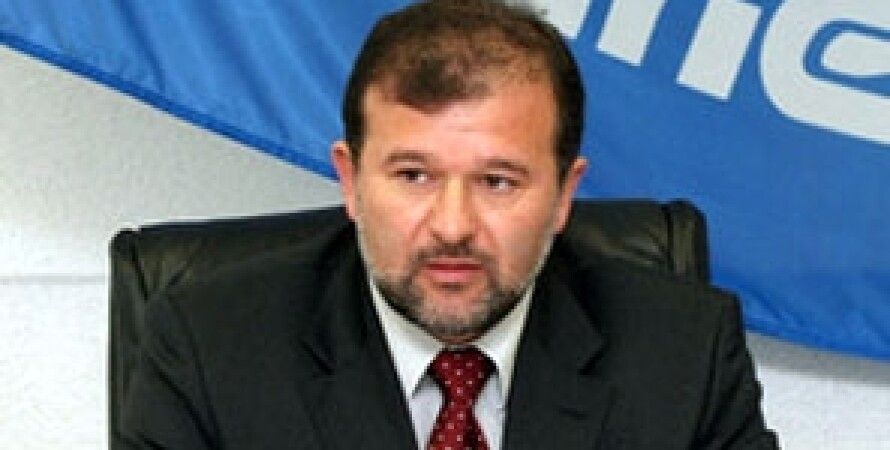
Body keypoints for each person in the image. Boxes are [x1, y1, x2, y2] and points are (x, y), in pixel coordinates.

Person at [119, 0, 778, 448]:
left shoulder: (683, 351)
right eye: (414, 175)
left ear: (563, 195)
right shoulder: (209, 350)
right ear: (351, 181)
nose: (453, 225)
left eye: (498, 181)